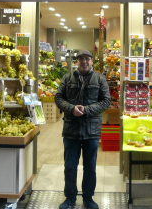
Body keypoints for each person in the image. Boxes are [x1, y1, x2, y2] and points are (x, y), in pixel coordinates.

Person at [55, 49, 111, 209]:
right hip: (71, 131)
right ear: (76, 61)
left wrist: (87, 110)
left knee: (90, 167)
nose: (84, 62)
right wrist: (72, 108)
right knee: (70, 167)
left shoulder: (100, 79)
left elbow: (106, 101)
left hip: (91, 132)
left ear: (92, 61)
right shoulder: (67, 78)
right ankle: (70, 198)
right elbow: (58, 97)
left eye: (87, 59)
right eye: (81, 59)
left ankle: (88, 198)